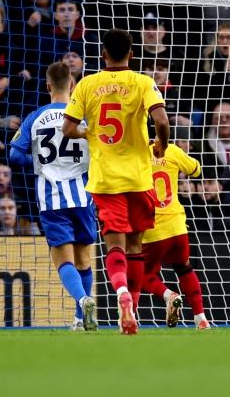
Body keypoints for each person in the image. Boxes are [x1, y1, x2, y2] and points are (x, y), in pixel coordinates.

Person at [61, 29, 170, 335]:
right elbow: (161, 120)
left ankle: (120, 293)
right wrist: (162, 144)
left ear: (102, 54)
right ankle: (132, 308)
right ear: (132, 54)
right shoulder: (142, 82)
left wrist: (88, 132)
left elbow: (67, 128)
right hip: (138, 177)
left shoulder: (87, 84)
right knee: (136, 245)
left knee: (114, 246)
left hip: (106, 180)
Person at [9, 61, 98, 331]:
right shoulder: (84, 118)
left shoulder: (35, 117)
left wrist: (40, 162)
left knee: (63, 260)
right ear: (72, 85)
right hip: (84, 197)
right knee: (84, 259)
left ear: (47, 86)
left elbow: (14, 155)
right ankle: (80, 319)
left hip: (51, 199)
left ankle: (83, 301)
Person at [141, 133, 209, 329]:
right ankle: (201, 318)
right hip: (177, 225)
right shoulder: (172, 150)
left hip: (151, 227)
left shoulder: (137, 153)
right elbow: (197, 170)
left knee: (143, 274)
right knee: (184, 268)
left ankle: (169, 295)